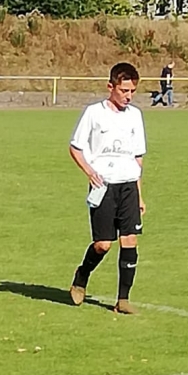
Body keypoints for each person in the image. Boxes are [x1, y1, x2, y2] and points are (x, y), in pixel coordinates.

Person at [68, 62, 146, 315]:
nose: (128, 96)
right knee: (103, 244)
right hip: (104, 187)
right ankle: (82, 274)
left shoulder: (135, 116)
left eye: (132, 91)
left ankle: (123, 299)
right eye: (124, 90)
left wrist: (140, 195)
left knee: (130, 240)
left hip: (128, 188)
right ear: (110, 87)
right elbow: (75, 147)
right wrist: (90, 172)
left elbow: (138, 158)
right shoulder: (93, 113)